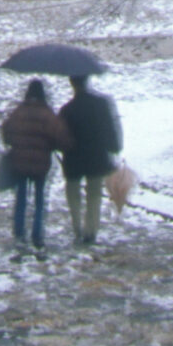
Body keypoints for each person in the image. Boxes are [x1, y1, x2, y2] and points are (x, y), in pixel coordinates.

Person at [0, 78, 69, 250]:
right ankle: (37, 235)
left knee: (21, 199)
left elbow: (6, 131)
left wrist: (14, 142)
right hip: (40, 165)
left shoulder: (19, 112)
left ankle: (19, 232)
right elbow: (59, 136)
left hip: (20, 163)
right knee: (39, 200)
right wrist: (53, 146)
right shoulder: (47, 114)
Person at [58, 73, 123, 245]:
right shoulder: (100, 104)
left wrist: (58, 148)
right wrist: (114, 147)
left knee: (73, 192)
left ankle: (77, 227)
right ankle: (91, 230)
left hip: (73, 159)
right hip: (96, 158)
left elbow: (59, 136)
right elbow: (110, 128)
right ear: (87, 81)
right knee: (94, 194)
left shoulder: (67, 110)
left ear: (72, 84)